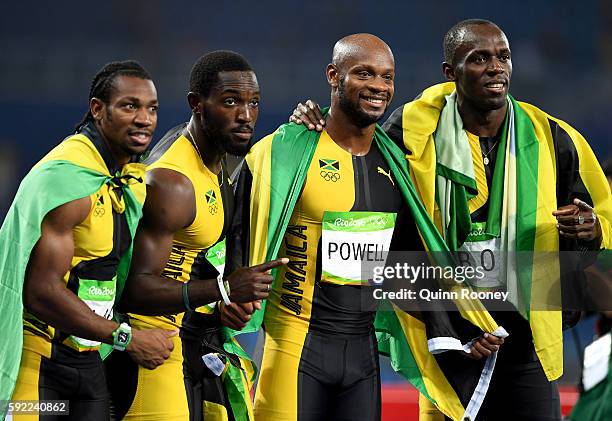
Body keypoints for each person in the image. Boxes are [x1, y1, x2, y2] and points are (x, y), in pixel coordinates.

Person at [290, 19, 611, 421]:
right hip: (453, 338)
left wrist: (589, 229)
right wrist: (315, 123)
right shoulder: (410, 130)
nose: (496, 67)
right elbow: (369, 224)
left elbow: (592, 229)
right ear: (450, 72)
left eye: (503, 57)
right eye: (479, 59)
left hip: (528, 336)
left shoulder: (551, 136)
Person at [227, 33, 507, 421]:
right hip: (293, 347)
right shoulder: (284, 151)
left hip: (362, 359)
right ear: (333, 76)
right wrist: (227, 293)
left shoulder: (397, 164)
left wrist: (462, 325)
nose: (378, 86)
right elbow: (232, 229)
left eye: (387, 77)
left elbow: (411, 263)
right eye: (364, 73)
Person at [106, 51, 286, 421]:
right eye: (231, 102)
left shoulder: (213, 160)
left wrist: (221, 306)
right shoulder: (173, 182)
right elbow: (133, 288)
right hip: (150, 347)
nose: (246, 115)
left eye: (253, 103)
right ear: (197, 104)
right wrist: (223, 290)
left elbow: (190, 260)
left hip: (189, 338)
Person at [0, 61, 176, 420]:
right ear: (98, 109)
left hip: (89, 362)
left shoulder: (126, 178)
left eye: (152, 108)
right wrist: (128, 338)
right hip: (38, 364)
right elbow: (42, 292)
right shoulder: (68, 181)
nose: (145, 119)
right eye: (130, 106)